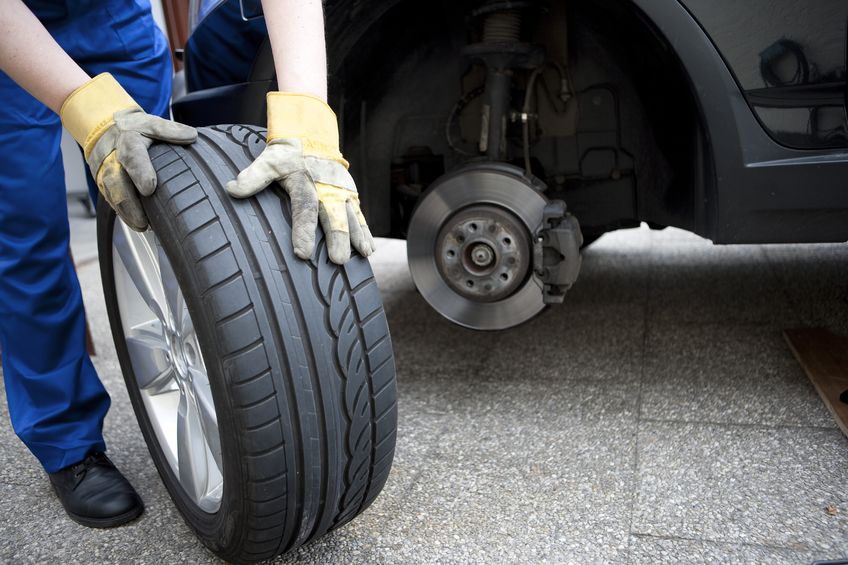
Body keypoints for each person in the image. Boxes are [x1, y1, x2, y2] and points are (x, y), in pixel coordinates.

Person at [0, 0, 373, 528]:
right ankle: (66, 445)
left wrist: (308, 121)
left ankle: (215, 378)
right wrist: (80, 107)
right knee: (25, 236)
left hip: (110, 17)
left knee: (153, 202)